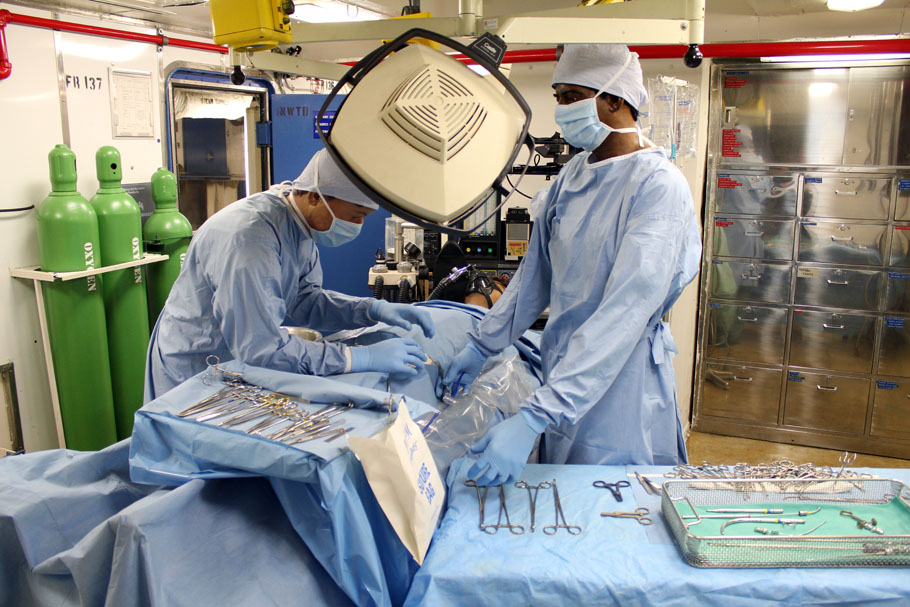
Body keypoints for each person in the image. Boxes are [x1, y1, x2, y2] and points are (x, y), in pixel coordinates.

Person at [439, 43, 702, 485]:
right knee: (558, 486)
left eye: (571, 97)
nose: (560, 110)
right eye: (558, 96)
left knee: (607, 496)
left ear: (615, 100)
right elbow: (533, 278)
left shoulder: (658, 186)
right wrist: (482, 345)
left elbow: (625, 312)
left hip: (620, 381)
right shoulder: (572, 177)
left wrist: (535, 415)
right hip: (561, 368)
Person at [145, 149, 435, 402]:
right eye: (354, 215)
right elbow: (261, 348)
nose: (358, 225)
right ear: (314, 197)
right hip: (196, 369)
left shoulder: (297, 225)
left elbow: (304, 301)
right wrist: (359, 357)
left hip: (234, 362)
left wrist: (372, 310)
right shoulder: (249, 242)